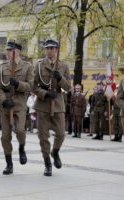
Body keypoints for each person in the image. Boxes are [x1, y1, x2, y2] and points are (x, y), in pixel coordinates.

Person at [33, 39, 71, 176]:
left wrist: (60, 78)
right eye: (47, 48)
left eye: (52, 48)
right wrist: (44, 93)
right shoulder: (38, 65)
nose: (49, 50)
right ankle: (47, 163)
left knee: (60, 134)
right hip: (43, 104)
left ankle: (55, 151)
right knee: (43, 136)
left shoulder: (64, 65)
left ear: (56, 50)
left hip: (58, 103)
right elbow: (33, 85)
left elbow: (68, 87)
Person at [0, 40, 34, 175]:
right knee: (5, 136)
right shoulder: (2, 67)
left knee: (20, 131)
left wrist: (18, 84)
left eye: (10, 50)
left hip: (20, 103)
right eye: (6, 50)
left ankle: (22, 148)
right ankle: (9, 163)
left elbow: (31, 86)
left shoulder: (27, 67)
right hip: (6, 104)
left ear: (17, 52)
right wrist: (3, 100)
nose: (7, 53)